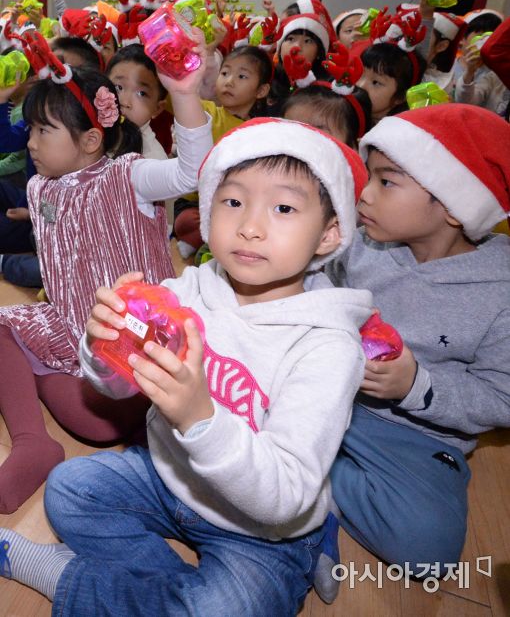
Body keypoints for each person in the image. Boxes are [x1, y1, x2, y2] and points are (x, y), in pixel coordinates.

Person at [0, 117, 374, 615]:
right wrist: (102, 346)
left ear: (329, 235)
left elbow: (284, 495)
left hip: (262, 529)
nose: (249, 225)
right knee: (70, 491)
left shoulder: (327, 345)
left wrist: (200, 418)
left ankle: (62, 573)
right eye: (233, 200)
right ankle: (181, 596)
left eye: (283, 208)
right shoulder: (185, 292)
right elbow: (111, 389)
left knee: (224, 605)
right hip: (168, 476)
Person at [0, 34, 212, 513]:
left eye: (43, 131)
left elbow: (192, 172)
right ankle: (33, 441)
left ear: (91, 140)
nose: (30, 143)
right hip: (69, 323)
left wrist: (183, 93)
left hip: (129, 349)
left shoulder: (128, 176)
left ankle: (143, 426)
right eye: (29, 129)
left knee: (92, 419)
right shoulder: (41, 187)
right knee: (3, 328)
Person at [317, 104, 510, 601]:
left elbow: (500, 398)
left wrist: (416, 385)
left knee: (429, 550)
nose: (364, 193)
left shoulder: (499, 290)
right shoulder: (364, 245)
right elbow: (315, 281)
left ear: (452, 205)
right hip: (320, 392)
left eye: (386, 182)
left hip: (412, 435)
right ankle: (299, 480)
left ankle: (309, 489)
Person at [173, 44, 273, 256]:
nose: (229, 81)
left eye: (242, 76)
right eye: (225, 73)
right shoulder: (206, 111)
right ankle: (202, 242)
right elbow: (178, 103)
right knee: (186, 221)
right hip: (195, 201)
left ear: (261, 90)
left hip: (233, 203)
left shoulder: (260, 130)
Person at [106, 43, 169, 160]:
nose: (124, 102)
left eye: (141, 94)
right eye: (118, 87)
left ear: (158, 108)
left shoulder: (153, 160)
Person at [268, 13, 334, 114]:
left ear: (319, 52)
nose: (297, 46)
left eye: (308, 41)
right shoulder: (267, 77)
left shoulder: (329, 87)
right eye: (290, 39)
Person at [453, 10, 507, 115]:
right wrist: (469, 72)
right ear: (461, 40)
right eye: (481, 36)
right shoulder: (449, 68)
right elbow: (465, 102)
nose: (486, 43)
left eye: (492, 37)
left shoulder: (496, 74)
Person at [356, 41, 425, 121]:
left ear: (400, 97)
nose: (360, 85)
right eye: (360, 73)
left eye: (375, 82)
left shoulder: (393, 131)